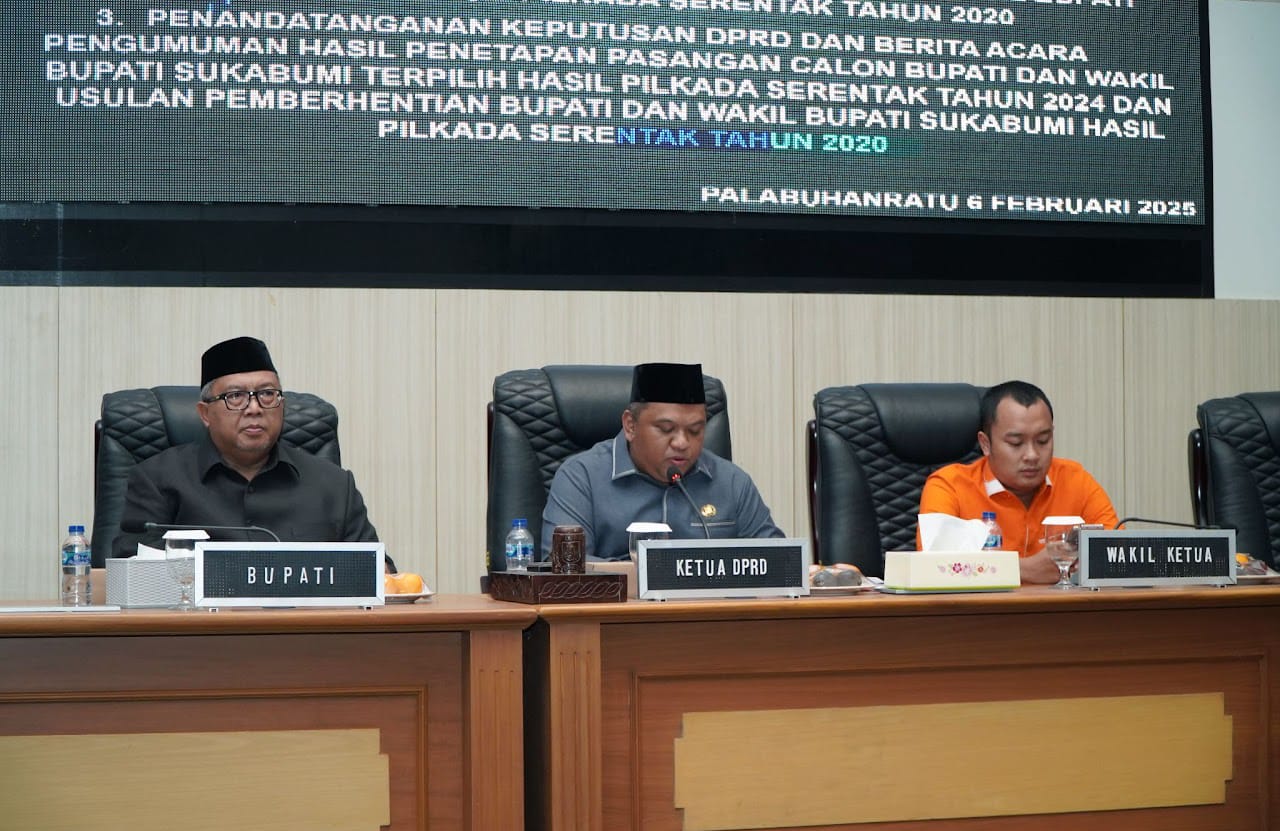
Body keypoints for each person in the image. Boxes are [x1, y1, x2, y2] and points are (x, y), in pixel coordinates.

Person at [111, 337, 385, 562]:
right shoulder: (157, 479)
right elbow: (132, 575)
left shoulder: (335, 485)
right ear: (205, 414)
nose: (254, 408)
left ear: (282, 405)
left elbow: (379, 575)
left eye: (267, 394)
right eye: (235, 396)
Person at [541, 362, 783, 560]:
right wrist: (653, 573)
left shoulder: (731, 482)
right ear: (630, 425)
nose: (682, 442)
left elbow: (778, 563)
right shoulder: (581, 477)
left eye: (695, 431)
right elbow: (563, 568)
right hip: (616, 606)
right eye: (666, 429)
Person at [917, 380, 1118, 584]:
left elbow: (1119, 557)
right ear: (985, 444)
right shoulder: (949, 486)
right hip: (983, 606)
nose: (1032, 455)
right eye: (1016, 443)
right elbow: (933, 567)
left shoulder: (1075, 480)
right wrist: (1026, 569)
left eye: (1043, 441)